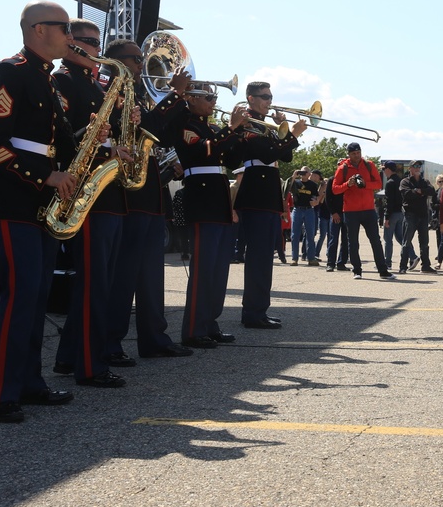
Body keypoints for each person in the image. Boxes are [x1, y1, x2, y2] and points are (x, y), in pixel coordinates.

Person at [0, 0, 81, 423]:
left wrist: (98, 140)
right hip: (13, 199)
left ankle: (30, 383)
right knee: (20, 296)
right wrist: (45, 177)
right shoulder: (8, 73)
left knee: (36, 296)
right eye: (63, 27)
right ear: (37, 29)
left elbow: (58, 142)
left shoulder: (45, 79)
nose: (70, 36)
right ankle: (2, 393)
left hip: (40, 204)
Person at [102, 37, 195, 361]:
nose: (143, 65)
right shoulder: (109, 95)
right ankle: (111, 343)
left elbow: (165, 135)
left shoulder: (137, 94)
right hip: (129, 196)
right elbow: (143, 131)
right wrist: (175, 95)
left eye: (143, 60)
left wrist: (182, 102)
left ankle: (154, 338)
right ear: (117, 61)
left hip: (149, 195)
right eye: (136, 60)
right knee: (124, 276)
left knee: (151, 275)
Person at [51, 20, 131, 388]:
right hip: (85, 192)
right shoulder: (62, 81)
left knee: (102, 282)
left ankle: (70, 357)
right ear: (70, 44)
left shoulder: (93, 85)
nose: (93, 48)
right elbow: (61, 137)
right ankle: (89, 364)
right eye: (86, 42)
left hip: (104, 191)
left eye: (96, 42)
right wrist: (100, 140)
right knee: (92, 285)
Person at [160, 78, 246, 348]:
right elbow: (203, 152)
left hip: (218, 201)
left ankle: (210, 323)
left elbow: (231, 161)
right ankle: (194, 330)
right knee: (203, 270)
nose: (213, 102)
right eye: (208, 98)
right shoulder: (186, 125)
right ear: (192, 99)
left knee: (219, 269)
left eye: (214, 98)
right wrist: (230, 129)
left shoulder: (212, 127)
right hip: (202, 198)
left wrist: (239, 134)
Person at [234, 82, 307, 328]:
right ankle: (253, 313)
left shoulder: (266, 124)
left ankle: (259, 310)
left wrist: (284, 132)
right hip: (256, 192)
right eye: (264, 97)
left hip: (266, 193)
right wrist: (292, 134)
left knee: (265, 257)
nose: (269, 100)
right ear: (250, 98)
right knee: (258, 257)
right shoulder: (247, 122)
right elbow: (266, 154)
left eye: (270, 96)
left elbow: (284, 155)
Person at [331, 143, 394, 280]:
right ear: (348, 154)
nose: (356, 156)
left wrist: (365, 184)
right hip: (350, 211)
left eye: (358, 152)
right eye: (353, 153)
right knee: (353, 242)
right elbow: (335, 189)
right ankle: (357, 270)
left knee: (375, 240)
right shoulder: (343, 168)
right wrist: (348, 184)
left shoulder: (369, 165)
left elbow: (378, 184)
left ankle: (383, 270)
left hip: (368, 210)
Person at [398, 159, 436, 274]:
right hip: (410, 215)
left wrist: (420, 191)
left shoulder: (425, 181)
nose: (417, 168)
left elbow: (432, 191)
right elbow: (407, 194)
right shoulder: (405, 181)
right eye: (414, 166)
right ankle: (403, 266)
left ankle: (426, 266)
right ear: (410, 168)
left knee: (424, 242)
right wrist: (418, 192)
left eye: (419, 166)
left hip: (423, 215)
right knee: (407, 241)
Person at [382, 161, 415, 270]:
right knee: (401, 237)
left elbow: (389, 201)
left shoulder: (390, 182)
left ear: (388, 169)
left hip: (392, 214)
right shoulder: (401, 181)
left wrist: (386, 217)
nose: (383, 172)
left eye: (384, 169)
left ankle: (387, 263)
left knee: (388, 239)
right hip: (401, 213)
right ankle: (413, 256)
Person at [324, 158, 350, 272]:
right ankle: (330, 263)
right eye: (340, 166)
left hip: (348, 213)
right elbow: (328, 199)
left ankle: (341, 263)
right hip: (336, 213)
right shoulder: (332, 180)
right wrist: (333, 213)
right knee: (333, 239)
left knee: (346, 240)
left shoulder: (349, 181)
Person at [289, 166, 319, 266]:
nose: (303, 174)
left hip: (309, 210)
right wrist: (294, 176)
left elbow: (316, 196)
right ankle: (294, 258)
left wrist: (316, 201)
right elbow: (288, 187)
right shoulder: (296, 183)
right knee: (295, 235)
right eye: (302, 172)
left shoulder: (312, 185)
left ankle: (311, 258)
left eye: (305, 172)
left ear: (309, 173)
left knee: (310, 234)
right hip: (297, 209)